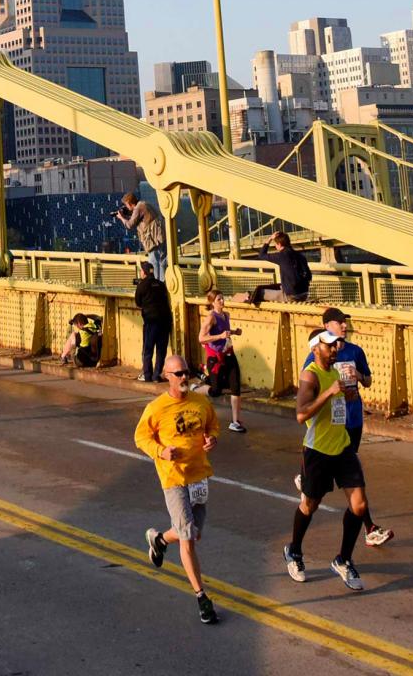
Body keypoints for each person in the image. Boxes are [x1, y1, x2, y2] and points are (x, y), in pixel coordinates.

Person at [294, 309, 394, 546]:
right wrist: (329, 393)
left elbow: (368, 380)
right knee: (313, 500)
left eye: (345, 322)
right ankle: (307, 480)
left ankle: (366, 530)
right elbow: (305, 401)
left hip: (351, 421)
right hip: (323, 434)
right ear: (327, 326)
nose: (344, 326)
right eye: (339, 323)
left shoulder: (355, 351)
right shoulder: (316, 362)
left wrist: (356, 378)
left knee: (354, 482)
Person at [135, 353, 220, 625]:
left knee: (192, 535)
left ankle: (159, 540)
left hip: (199, 477)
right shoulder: (156, 408)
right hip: (173, 478)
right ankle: (201, 597)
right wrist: (161, 451)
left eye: (186, 372)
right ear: (167, 377)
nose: (184, 378)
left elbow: (213, 427)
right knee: (187, 537)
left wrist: (211, 439)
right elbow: (140, 437)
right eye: (178, 374)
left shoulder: (201, 402)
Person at [285, 329, 369, 592]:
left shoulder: (336, 372)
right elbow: (301, 415)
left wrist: (348, 395)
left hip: (341, 447)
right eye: (329, 345)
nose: (335, 349)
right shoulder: (311, 375)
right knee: (310, 505)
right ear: (315, 348)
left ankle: (343, 559)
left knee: (359, 505)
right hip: (317, 451)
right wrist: (329, 393)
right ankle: (294, 551)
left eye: (336, 345)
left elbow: (338, 404)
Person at [198, 290, 246, 433]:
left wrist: (234, 332)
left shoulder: (226, 315)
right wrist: (220, 336)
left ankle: (235, 421)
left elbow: (224, 331)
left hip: (229, 353)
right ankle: (196, 390)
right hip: (215, 357)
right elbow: (201, 338)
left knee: (235, 385)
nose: (222, 302)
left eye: (223, 299)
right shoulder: (210, 318)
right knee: (216, 390)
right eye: (219, 299)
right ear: (212, 302)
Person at [244, 231, 311, 306]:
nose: (275, 247)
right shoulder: (301, 256)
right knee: (280, 287)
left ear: (279, 244)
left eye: (275, 244)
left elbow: (262, 255)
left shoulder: (281, 256)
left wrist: (270, 239)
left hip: (291, 296)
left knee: (260, 292)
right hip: (305, 294)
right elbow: (309, 276)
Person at [115, 191, 166, 281]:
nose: (126, 207)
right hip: (159, 237)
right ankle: (161, 284)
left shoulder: (139, 207)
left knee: (154, 262)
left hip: (153, 239)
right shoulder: (144, 204)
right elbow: (140, 219)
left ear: (130, 203)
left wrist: (121, 218)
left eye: (126, 205)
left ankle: (158, 285)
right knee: (161, 261)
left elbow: (130, 225)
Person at [135, 261, 172, 383]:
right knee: (161, 350)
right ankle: (156, 376)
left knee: (148, 350)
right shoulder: (161, 285)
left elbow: (138, 303)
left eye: (141, 270)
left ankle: (147, 375)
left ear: (144, 272)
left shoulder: (141, 286)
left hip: (151, 322)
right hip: (165, 321)